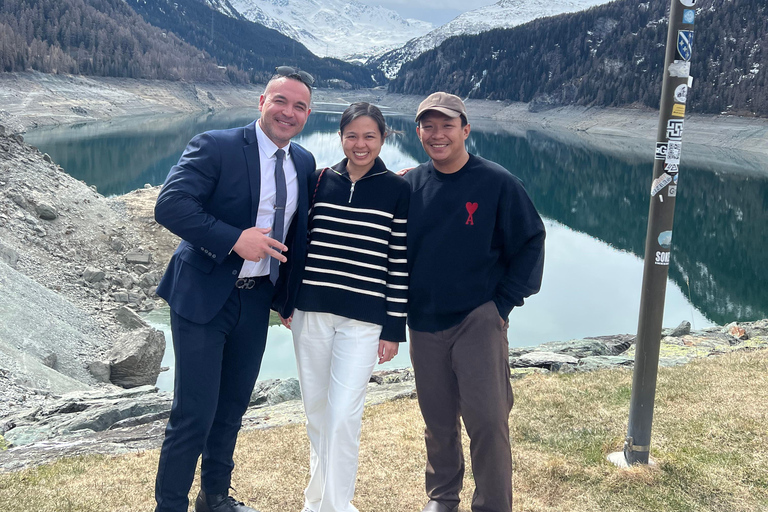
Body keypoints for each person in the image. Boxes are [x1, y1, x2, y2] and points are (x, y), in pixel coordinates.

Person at [152, 66, 316, 512]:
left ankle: (215, 498)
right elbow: (169, 206)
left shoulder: (303, 161)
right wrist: (233, 238)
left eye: (299, 106)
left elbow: (303, 230)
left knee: (232, 409)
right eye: (280, 101)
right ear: (261, 102)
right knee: (194, 414)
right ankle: (170, 506)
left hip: (257, 298)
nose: (288, 112)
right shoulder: (217, 145)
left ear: (307, 115)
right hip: (204, 295)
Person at [402, 92, 545, 512]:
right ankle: (442, 497)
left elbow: (531, 242)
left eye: (447, 125)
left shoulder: (497, 182)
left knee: (487, 421)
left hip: (477, 321)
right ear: (419, 133)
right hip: (423, 323)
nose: (437, 134)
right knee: (438, 421)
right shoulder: (410, 185)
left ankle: (493, 504)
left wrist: (500, 306)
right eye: (429, 126)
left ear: (466, 129)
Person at [280, 102, 410, 512]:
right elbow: (297, 243)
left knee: (343, 417)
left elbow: (399, 261)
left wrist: (394, 327)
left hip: (364, 321)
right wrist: (287, 301)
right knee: (316, 414)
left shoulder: (397, 189)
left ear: (383, 138)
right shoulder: (318, 180)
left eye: (370, 136)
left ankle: (338, 505)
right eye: (352, 135)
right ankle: (314, 500)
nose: (360, 144)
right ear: (340, 137)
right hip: (311, 314)